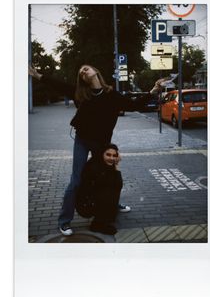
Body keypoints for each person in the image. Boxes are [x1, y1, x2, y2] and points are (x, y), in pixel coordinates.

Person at [29, 64, 163, 236]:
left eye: (85, 68)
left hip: (102, 144)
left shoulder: (111, 95)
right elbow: (59, 85)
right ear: (82, 79)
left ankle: (112, 205)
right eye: (80, 71)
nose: (83, 70)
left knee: (108, 177)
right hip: (82, 141)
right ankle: (64, 221)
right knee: (76, 181)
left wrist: (153, 90)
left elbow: (133, 105)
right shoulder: (80, 94)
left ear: (96, 71)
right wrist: (37, 75)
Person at [76, 143, 122, 235]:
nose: (111, 158)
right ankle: (97, 225)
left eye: (114, 155)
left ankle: (106, 219)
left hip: (96, 197)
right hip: (86, 204)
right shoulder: (94, 166)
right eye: (108, 155)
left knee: (113, 191)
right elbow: (103, 186)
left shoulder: (108, 165)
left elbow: (119, 185)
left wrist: (117, 166)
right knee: (109, 193)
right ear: (101, 154)